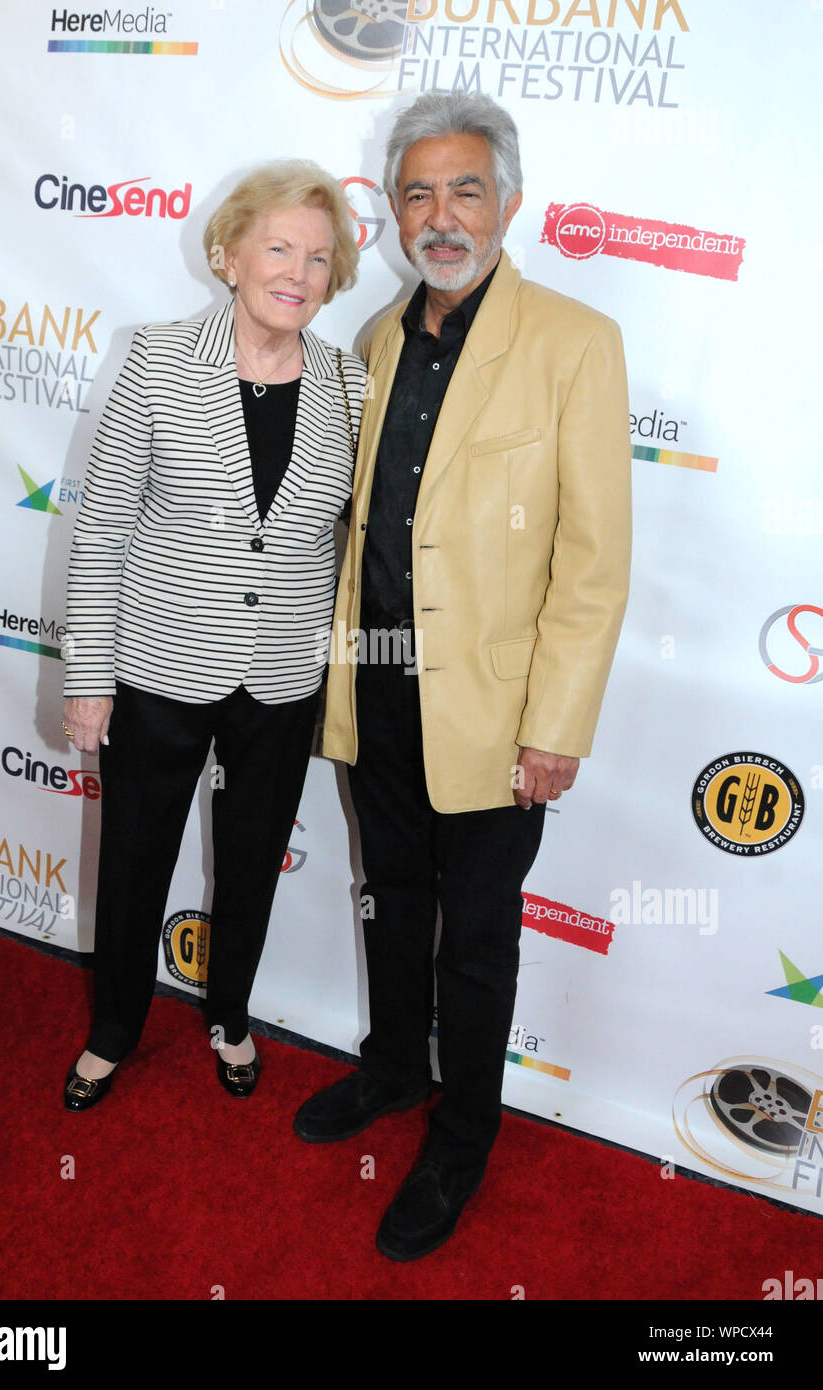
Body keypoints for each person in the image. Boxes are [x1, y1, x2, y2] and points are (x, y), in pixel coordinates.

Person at [294, 93, 632, 1261]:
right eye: (417, 193)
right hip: (377, 684)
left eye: (465, 189)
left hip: (495, 712)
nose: (441, 217)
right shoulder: (376, 340)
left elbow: (592, 562)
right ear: (390, 211)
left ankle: (463, 1133)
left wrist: (556, 726)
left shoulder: (574, 342)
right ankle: (392, 1067)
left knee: (475, 937)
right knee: (387, 896)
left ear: (509, 200)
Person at [61, 159, 365, 1111]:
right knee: (136, 863)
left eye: (319, 258)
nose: (298, 272)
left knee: (251, 863)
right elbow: (103, 525)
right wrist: (89, 678)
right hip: (156, 672)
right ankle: (115, 1029)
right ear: (229, 255)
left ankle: (229, 1014)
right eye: (278, 247)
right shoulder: (154, 359)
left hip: (279, 682)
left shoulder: (351, 388)